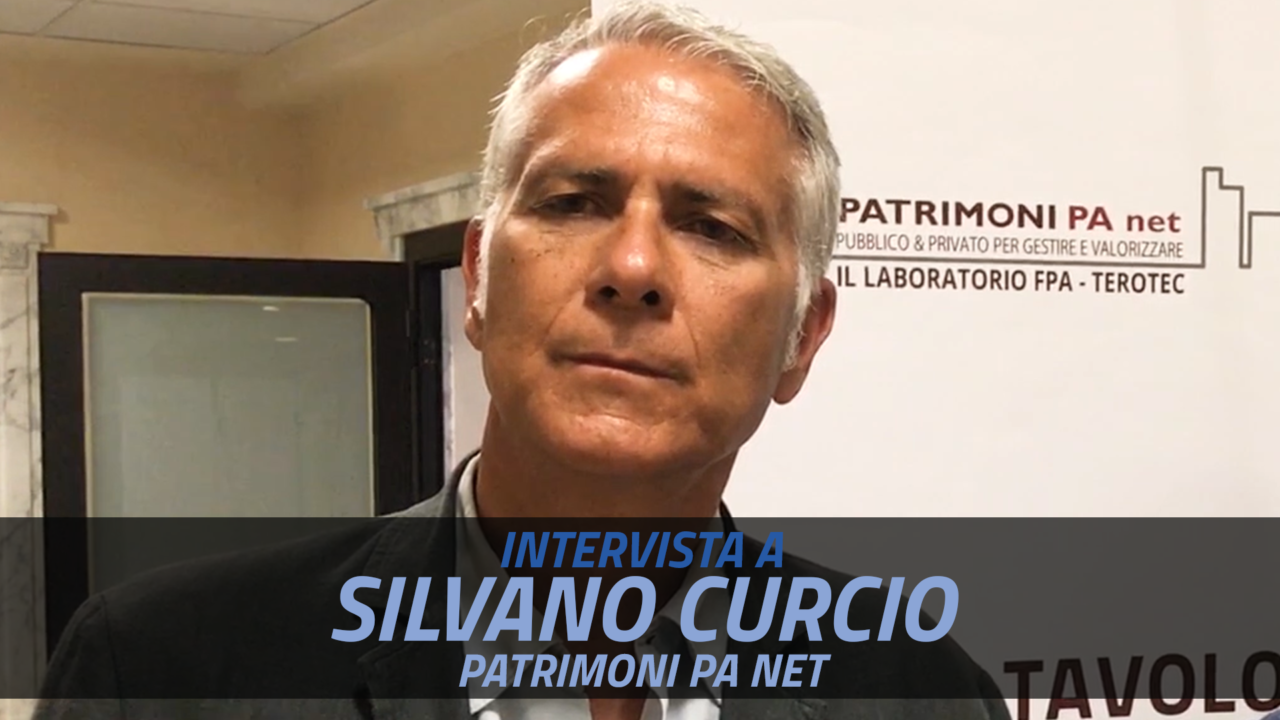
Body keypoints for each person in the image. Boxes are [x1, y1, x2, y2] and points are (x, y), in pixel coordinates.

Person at [35, 2, 1009, 719]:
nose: (632, 269)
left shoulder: (921, 691)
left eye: (711, 227)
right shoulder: (162, 672)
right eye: (572, 204)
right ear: (477, 279)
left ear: (802, 336)